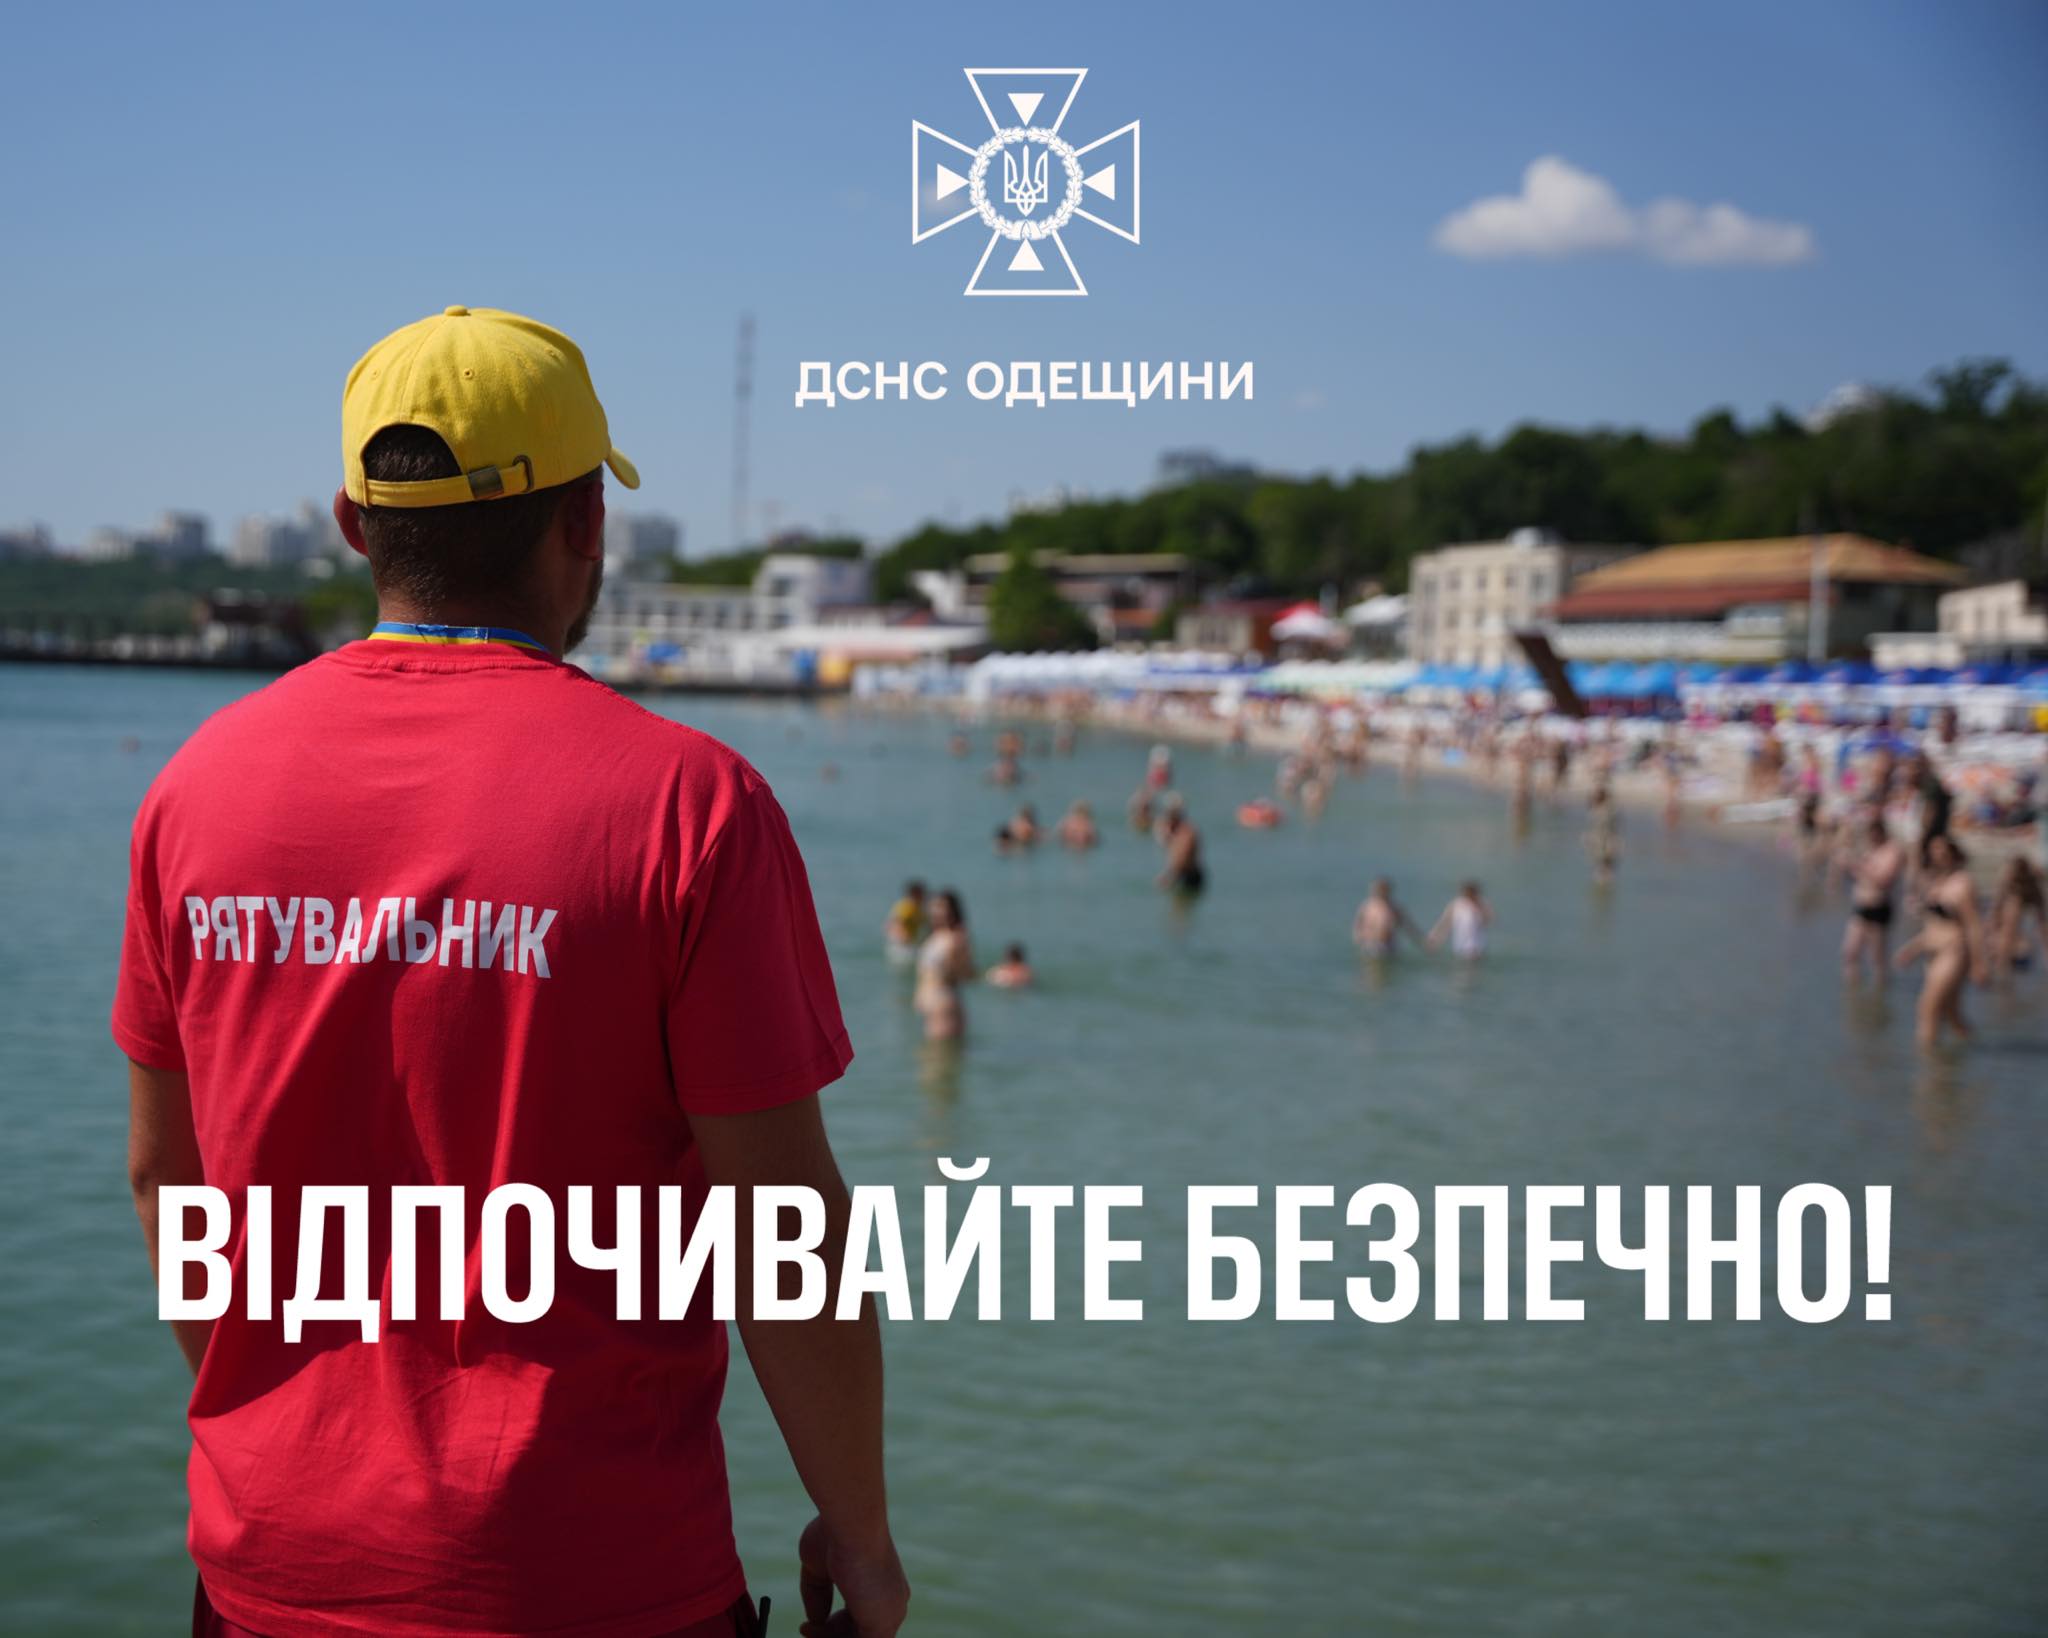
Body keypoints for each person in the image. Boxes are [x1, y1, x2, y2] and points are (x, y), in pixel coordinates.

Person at [114, 308, 907, 1638]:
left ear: (354, 525)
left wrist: (280, 1423)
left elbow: (164, 1178)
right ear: (586, 520)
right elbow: (782, 1230)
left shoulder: (194, 793)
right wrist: (863, 1537)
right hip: (596, 1581)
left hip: (271, 1572)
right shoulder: (691, 808)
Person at [1894, 832, 1986, 1048]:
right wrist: (1913, 948)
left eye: (1942, 850)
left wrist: (1978, 963)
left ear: (1953, 853)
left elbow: (1973, 924)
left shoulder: (1963, 883)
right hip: (1932, 952)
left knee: (1927, 1008)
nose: (1938, 855)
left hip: (1953, 951)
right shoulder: (1935, 882)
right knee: (1951, 1013)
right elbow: (1933, 925)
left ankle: (1927, 1062)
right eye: (1934, 850)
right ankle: (1971, 1047)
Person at [1842, 813, 1906, 982]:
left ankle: (1880, 988)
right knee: (1850, 952)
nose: (1871, 837)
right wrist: (1849, 866)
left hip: (1878, 908)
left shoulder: (1892, 851)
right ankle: (1853, 992)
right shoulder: (1869, 849)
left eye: (1874, 833)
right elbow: (1858, 875)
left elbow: (1884, 880)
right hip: (1860, 906)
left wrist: (1860, 866)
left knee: (1876, 958)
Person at [915, 890, 976, 1040]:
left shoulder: (957, 937)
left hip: (944, 1001)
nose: (936, 910)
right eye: (934, 906)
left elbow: (968, 973)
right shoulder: (934, 935)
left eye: (941, 906)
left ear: (952, 910)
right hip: (931, 1003)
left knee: (941, 1052)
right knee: (930, 1052)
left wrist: (954, 961)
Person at [1988, 855, 2047, 980]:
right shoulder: (2008, 880)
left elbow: (2042, 924)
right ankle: (2002, 965)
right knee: (2008, 923)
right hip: (2014, 894)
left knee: (2042, 927)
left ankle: (2003, 964)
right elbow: (1996, 908)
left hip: (2029, 890)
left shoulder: (2032, 880)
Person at [1352, 877, 1421, 957]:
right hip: (1369, 943)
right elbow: (1358, 922)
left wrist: (1421, 941)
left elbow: (1409, 927)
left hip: (1387, 945)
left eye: (1381, 890)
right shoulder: (1367, 906)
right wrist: (1358, 936)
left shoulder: (1393, 909)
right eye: (1376, 889)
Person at [1427, 881, 1493, 960]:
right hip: (1460, 944)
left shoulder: (1482, 904)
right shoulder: (1456, 904)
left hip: (1477, 945)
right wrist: (1435, 937)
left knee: (1473, 960)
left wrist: (1478, 907)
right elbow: (1445, 923)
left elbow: (1489, 920)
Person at [1156, 806, 1205, 894]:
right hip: (1186, 873)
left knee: (1181, 901)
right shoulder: (1182, 833)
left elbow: (1182, 860)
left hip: (1187, 874)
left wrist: (1169, 876)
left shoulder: (1185, 835)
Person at [1585, 785, 1621, 886]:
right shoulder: (1606, 809)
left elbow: (1610, 823)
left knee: (1604, 860)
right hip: (1602, 837)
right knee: (1603, 860)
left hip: (1605, 837)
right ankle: (1604, 878)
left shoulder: (1606, 809)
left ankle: (1604, 878)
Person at [884, 879, 928, 949]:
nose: (924, 897)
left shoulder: (916, 908)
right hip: (903, 944)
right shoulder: (907, 908)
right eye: (922, 894)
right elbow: (896, 923)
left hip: (907, 942)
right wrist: (906, 939)